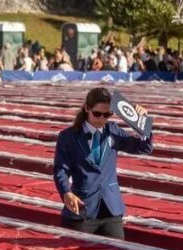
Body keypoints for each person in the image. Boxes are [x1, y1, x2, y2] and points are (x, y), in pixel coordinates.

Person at [52, 87, 153, 240]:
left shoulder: (113, 130)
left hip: (111, 210)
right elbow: (61, 169)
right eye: (97, 113)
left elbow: (144, 147)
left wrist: (141, 123)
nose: (102, 119)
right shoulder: (68, 136)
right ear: (87, 108)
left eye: (107, 115)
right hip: (82, 209)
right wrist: (66, 192)